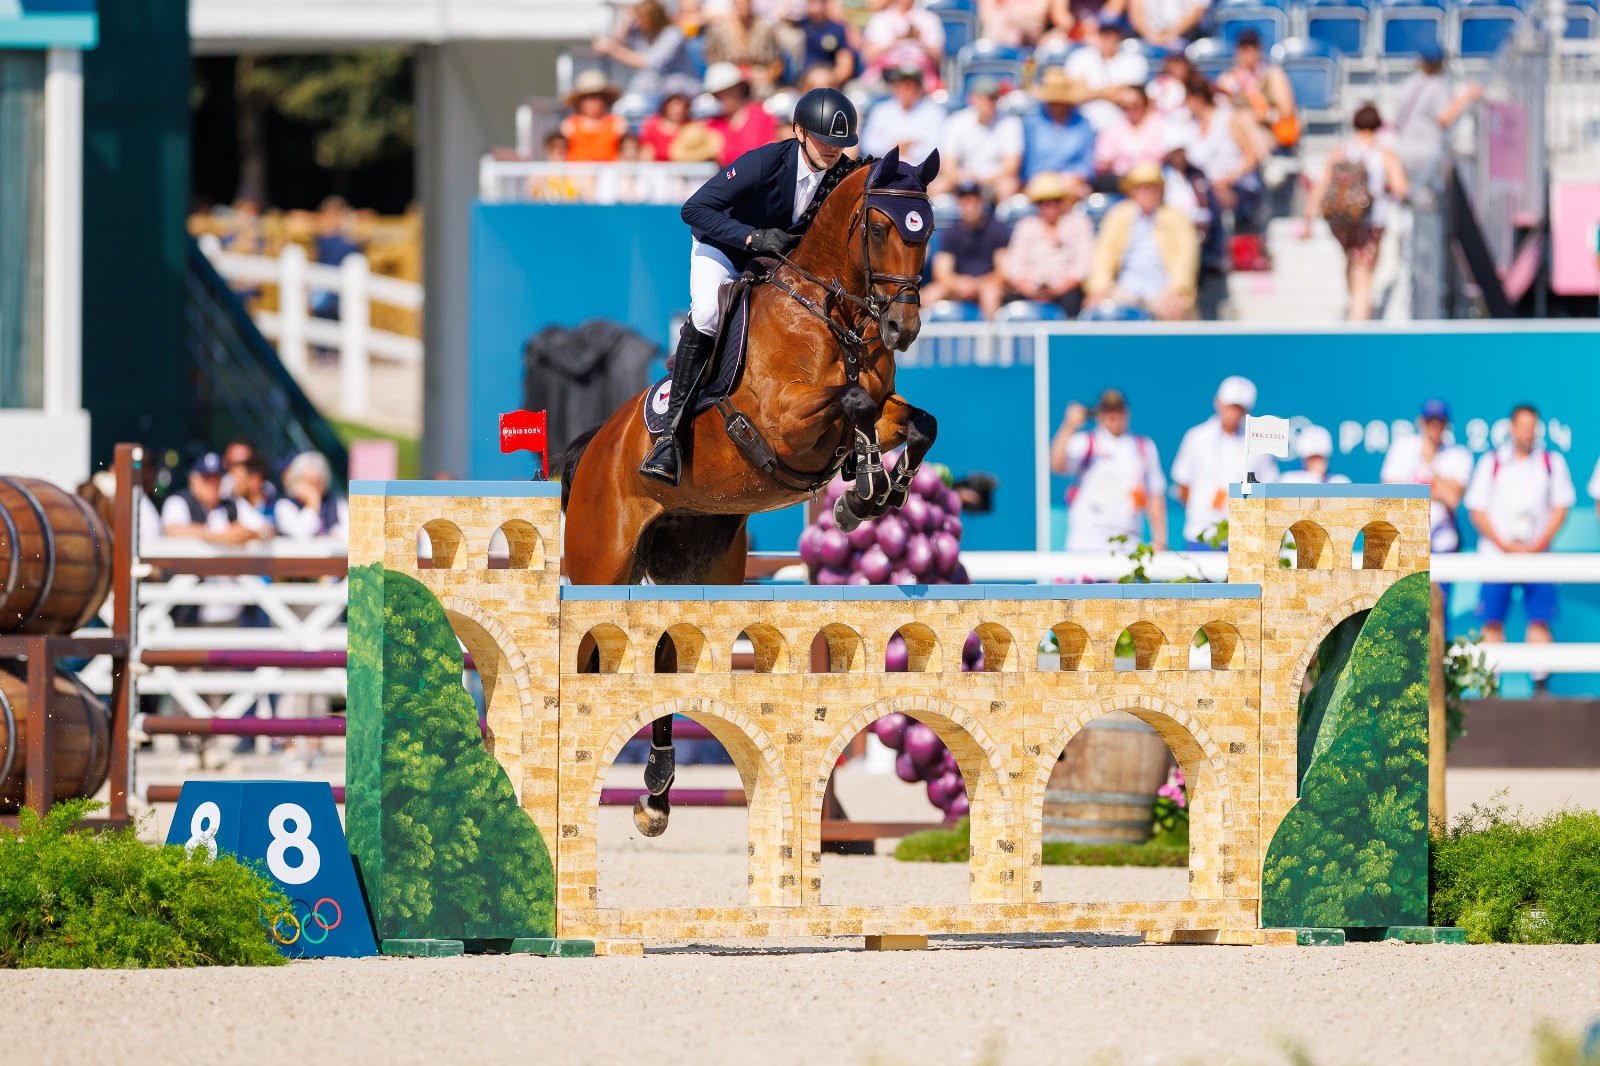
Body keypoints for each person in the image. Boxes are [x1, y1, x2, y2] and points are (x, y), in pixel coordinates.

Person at [641, 87, 863, 484]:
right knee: (708, 313)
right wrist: (751, 238)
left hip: (777, 261)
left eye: (839, 143)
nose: (832, 150)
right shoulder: (764, 163)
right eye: (824, 140)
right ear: (799, 132)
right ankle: (670, 438)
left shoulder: (841, 172)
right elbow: (693, 209)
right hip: (725, 246)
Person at [1465, 404, 1575, 690]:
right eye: (1522, 425)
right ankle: (1491, 689)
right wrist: (1503, 544)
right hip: (1496, 557)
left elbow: (1561, 507)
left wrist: (1538, 544)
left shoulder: (1552, 463)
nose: (1527, 431)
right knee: (1492, 623)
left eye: (1532, 426)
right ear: (1511, 428)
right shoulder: (1492, 462)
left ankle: (1540, 688)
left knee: (1539, 621)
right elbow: (1476, 509)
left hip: (1538, 558)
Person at [1305, 103, 1407, 322]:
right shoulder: (1384, 155)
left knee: (1353, 264)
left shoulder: (1340, 152)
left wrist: (1308, 218)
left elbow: (1322, 185)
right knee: (1364, 273)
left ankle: (1355, 311)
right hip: (1371, 221)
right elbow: (1401, 188)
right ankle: (1358, 325)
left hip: (1341, 222)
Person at [1051, 388, 1168, 552]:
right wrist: (1069, 426)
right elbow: (1057, 465)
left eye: (1118, 410)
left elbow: (1155, 496)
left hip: (1128, 544)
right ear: (1099, 414)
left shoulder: (1144, 447)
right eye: (1107, 411)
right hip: (1086, 543)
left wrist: (1160, 542)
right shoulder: (1085, 442)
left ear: (1127, 412)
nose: (1113, 416)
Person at [1170, 375, 1278, 548]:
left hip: (1242, 538)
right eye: (1230, 406)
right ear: (1218, 402)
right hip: (1200, 535)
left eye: (1239, 408)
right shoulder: (1196, 437)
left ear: (1247, 411)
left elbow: (1268, 488)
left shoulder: (1258, 444)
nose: (1233, 413)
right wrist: (1202, 509)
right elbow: (1182, 485)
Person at [1084, 162, 1198, 319]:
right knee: (1097, 309)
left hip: (1162, 290)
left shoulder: (1176, 217)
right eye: (1141, 187)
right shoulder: (1118, 215)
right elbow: (1104, 255)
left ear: (1161, 191)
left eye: (1152, 187)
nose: (1147, 192)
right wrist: (1099, 288)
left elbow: (1186, 259)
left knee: (1175, 310)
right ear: (1132, 191)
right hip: (1125, 288)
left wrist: (1177, 289)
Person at [1381, 398, 1474, 556]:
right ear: (1420, 422)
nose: (1435, 426)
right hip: (1406, 542)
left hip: (1442, 544)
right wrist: (1436, 491)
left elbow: (1452, 499)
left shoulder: (1459, 454)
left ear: (1447, 424)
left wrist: (1430, 464)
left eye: (1440, 421)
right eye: (1430, 420)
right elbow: (1390, 494)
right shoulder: (1402, 447)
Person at [1392, 46, 1483, 206]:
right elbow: (1445, 118)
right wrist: (1467, 96)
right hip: (1427, 152)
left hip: (1403, 150)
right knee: (1431, 205)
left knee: (1412, 202)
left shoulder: (1407, 84)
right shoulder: (1437, 86)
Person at [1002, 172, 1095, 315]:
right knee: (1010, 305)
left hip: (1066, 292)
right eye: (1043, 202)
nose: (1050, 206)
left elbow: (1082, 267)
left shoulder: (1078, 223)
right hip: (1030, 290)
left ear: (1064, 201)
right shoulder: (1026, 226)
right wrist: (1031, 290)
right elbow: (1015, 267)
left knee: (1075, 302)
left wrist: (1056, 290)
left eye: (1055, 200)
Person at [1184, 74, 1263, 241]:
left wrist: (1230, 177)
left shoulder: (1227, 118)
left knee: (1213, 194)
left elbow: (1252, 156)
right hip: (1204, 187)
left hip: (1236, 185)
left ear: (1197, 98)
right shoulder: (1190, 126)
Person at [923, 181, 1011, 319]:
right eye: (965, 200)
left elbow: (1003, 272)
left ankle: (990, 339)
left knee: (990, 294)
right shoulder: (951, 232)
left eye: (973, 200)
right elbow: (941, 272)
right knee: (929, 295)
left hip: (987, 285)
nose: (969, 205)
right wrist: (958, 283)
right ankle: (920, 338)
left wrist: (977, 284)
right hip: (957, 286)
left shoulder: (997, 229)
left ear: (981, 202)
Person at [592, 0, 702, 100]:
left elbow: (649, 63)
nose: (639, 22)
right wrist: (627, 21)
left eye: (642, 18)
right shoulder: (639, 32)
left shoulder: (673, 34)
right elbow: (618, 41)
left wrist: (612, 49)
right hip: (652, 88)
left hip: (680, 88)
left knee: (669, 87)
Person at [937, 78, 1025, 199]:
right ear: (972, 99)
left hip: (994, 181)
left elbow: (1011, 166)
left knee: (1008, 186)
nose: (989, 103)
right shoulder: (956, 121)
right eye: (984, 98)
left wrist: (984, 180)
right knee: (939, 186)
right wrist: (961, 177)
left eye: (993, 98)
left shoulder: (1009, 122)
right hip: (963, 180)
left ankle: (1002, 217)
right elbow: (948, 166)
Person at [1215, 29, 1298, 154]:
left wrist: (1264, 116)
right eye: (1244, 48)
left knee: (1245, 121)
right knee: (1239, 120)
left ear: (1259, 49)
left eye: (1252, 48)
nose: (1248, 53)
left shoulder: (1272, 75)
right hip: (1237, 132)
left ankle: (1252, 163)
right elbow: (1219, 110)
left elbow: (1286, 111)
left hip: (1269, 130)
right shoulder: (1228, 79)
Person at [1065, 19, 1150, 130]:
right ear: (1098, 35)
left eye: (1113, 34)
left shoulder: (1135, 61)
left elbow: (1128, 99)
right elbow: (1075, 95)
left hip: (1120, 127)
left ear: (1120, 36)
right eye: (1104, 34)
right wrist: (1107, 92)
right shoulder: (1080, 57)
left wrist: (1091, 91)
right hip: (1082, 127)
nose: (1109, 39)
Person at [1021, 69, 1098, 183]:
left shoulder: (1083, 125)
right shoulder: (1031, 124)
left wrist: (1072, 177)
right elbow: (1028, 163)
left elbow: (1087, 164)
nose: (1056, 107)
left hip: (1072, 183)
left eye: (1060, 103)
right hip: (1038, 180)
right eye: (1052, 103)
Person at [860, 65, 946, 164]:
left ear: (919, 88)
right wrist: (896, 148)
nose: (906, 90)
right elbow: (869, 145)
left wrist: (908, 149)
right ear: (895, 87)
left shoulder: (934, 112)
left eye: (910, 85)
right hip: (884, 169)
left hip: (920, 170)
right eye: (902, 84)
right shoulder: (881, 111)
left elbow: (938, 148)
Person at [702, 0, 787, 97]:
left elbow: (776, 63)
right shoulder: (719, 29)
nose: (743, 6)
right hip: (729, 80)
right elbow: (712, 61)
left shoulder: (764, 28)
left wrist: (765, 77)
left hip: (759, 80)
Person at [702, 64, 779, 167]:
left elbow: (769, 152)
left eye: (727, 91)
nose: (722, 98)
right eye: (717, 94)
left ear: (741, 88)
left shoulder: (762, 115)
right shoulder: (713, 124)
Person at [1092, 84, 1167, 187]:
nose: (1131, 110)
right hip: (1121, 182)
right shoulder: (1113, 127)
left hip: (1153, 180)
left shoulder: (1160, 124)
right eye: (1125, 107)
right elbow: (1102, 161)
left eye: (1135, 105)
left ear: (1145, 104)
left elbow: (1164, 155)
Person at [862, 0, 945, 87]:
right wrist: (896, 41)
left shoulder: (929, 19)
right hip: (884, 76)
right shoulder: (879, 19)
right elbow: (868, 57)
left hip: (920, 76)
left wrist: (919, 39)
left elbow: (937, 58)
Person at [275, 451, 349, 540]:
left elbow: (351, 530)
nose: (314, 489)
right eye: (309, 483)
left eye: (318, 482)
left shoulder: (336, 503)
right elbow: (301, 535)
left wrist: (337, 532)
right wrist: (312, 504)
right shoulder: (284, 506)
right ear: (296, 482)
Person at [797, 0, 857, 87]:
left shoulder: (837, 28)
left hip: (828, 77)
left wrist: (831, 79)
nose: (814, 5)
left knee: (821, 79)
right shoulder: (800, 25)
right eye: (810, 2)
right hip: (804, 78)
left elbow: (845, 62)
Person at [1279, 426, 1349, 484]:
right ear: (1304, 460)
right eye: (1312, 458)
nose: (1316, 462)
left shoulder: (1341, 482)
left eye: (1320, 457)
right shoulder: (1288, 480)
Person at [1128, 0, 1210, 49]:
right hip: (1149, 39)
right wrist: (1152, 36)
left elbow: (1196, 13)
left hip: (1186, 38)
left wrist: (1170, 35)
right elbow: (1137, 15)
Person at [640, 92, 694, 161]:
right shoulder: (652, 125)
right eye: (673, 107)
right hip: (658, 168)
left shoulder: (691, 126)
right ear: (666, 107)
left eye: (681, 108)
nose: (676, 111)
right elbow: (647, 153)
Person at [980, 0, 1055, 47]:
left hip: (1033, 37)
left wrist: (1009, 14)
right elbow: (987, 15)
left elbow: (1039, 13)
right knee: (1002, 27)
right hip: (1000, 33)